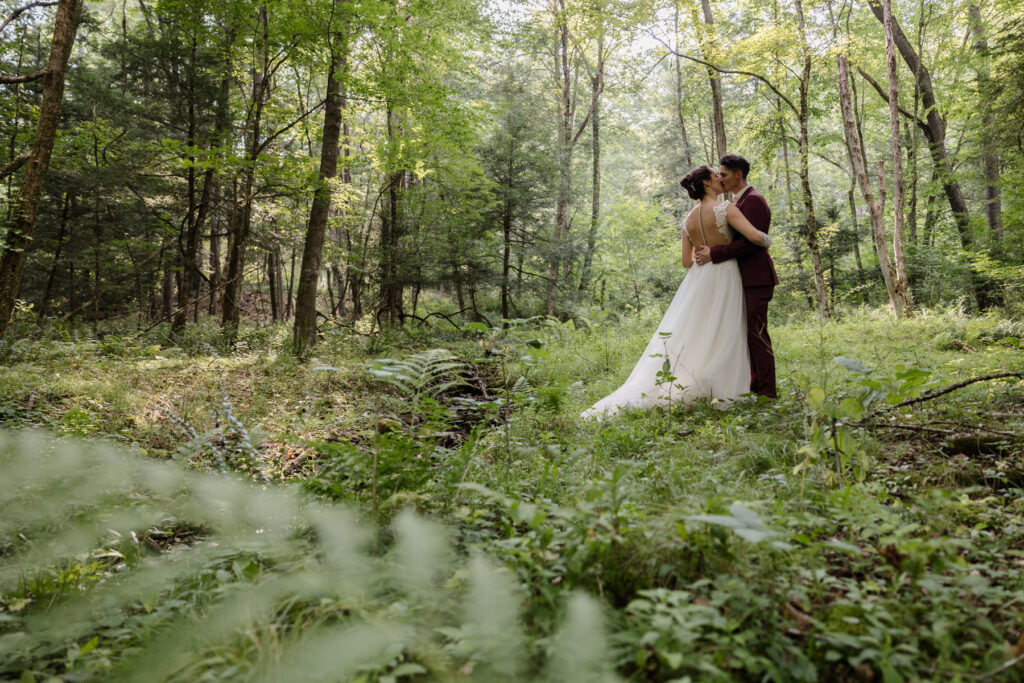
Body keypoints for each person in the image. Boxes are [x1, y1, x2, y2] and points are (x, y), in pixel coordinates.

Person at [581, 165, 771, 420]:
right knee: (726, 331)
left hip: (700, 278)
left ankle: (695, 383)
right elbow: (755, 238)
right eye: (716, 176)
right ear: (706, 183)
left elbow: (686, 261)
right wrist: (767, 239)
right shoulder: (726, 209)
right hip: (726, 275)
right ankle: (725, 389)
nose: (720, 179)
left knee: (699, 332)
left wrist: (705, 255)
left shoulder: (689, 219)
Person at [693, 154, 778, 398]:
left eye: (725, 174)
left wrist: (714, 253)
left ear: (738, 175)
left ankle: (767, 393)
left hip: (757, 279)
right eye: (718, 174)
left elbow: (753, 244)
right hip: (742, 278)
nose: (721, 178)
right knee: (747, 335)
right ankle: (753, 387)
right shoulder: (738, 203)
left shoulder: (754, 201)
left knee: (758, 335)